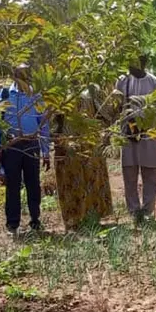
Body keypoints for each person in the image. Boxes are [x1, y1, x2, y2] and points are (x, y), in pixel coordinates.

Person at [0, 64, 51, 234]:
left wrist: (46, 151)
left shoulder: (36, 96)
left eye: (26, 74)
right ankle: (12, 224)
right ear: (14, 76)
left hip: (32, 144)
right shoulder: (4, 95)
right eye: (20, 74)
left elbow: (44, 124)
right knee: (13, 186)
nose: (24, 77)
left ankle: (35, 220)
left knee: (33, 184)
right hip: (11, 146)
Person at [53, 91, 113, 230]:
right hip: (68, 145)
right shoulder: (60, 91)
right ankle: (73, 220)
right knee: (70, 181)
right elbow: (55, 120)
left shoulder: (92, 89)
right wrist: (58, 142)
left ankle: (92, 218)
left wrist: (104, 135)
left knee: (92, 179)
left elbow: (106, 113)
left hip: (91, 144)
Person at [115, 56, 156, 220]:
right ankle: (134, 211)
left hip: (148, 134)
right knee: (129, 172)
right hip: (127, 134)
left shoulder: (155, 83)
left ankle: (148, 211)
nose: (130, 66)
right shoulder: (122, 81)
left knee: (150, 173)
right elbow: (116, 107)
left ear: (143, 63)